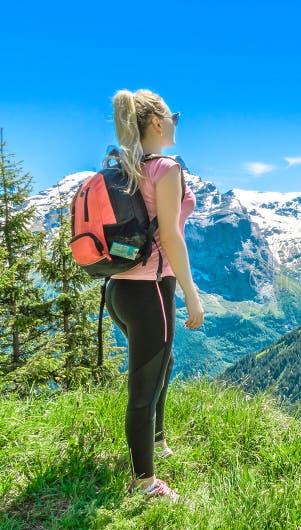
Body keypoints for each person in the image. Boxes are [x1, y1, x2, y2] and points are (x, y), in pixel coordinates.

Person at [105, 89, 204, 501]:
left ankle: (158, 440)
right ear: (158, 123)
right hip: (150, 292)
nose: (177, 122)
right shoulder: (165, 168)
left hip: (118, 289)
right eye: (173, 115)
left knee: (163, 364)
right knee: (143, 389)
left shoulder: (125, 169)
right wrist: (192, 294)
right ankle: (146, 482)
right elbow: (171, 237)